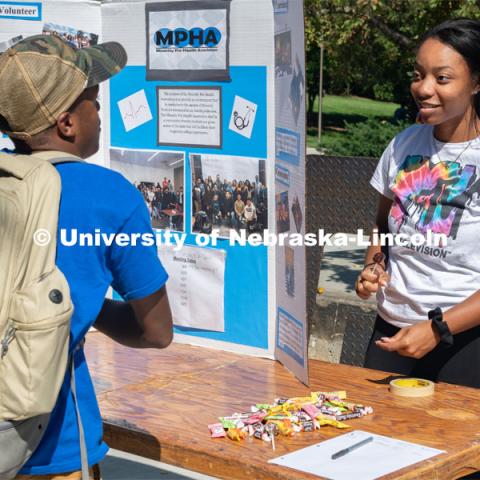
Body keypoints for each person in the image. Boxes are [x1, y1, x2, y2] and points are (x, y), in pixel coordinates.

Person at [0, 34, 173, 478]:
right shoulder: (110, 197)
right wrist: (87, 309)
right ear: (67, 123)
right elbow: (156, 331)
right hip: (53, 449)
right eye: (93, 101)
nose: (100, 112)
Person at [356, 18, 480, 389]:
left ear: (476, 83)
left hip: (464, 342)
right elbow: (382, 225)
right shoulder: (404, 144)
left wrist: (438, 328)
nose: (423, 89)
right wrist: (373, 266)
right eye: (418, 74)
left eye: (442, 78)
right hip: (392, 329)